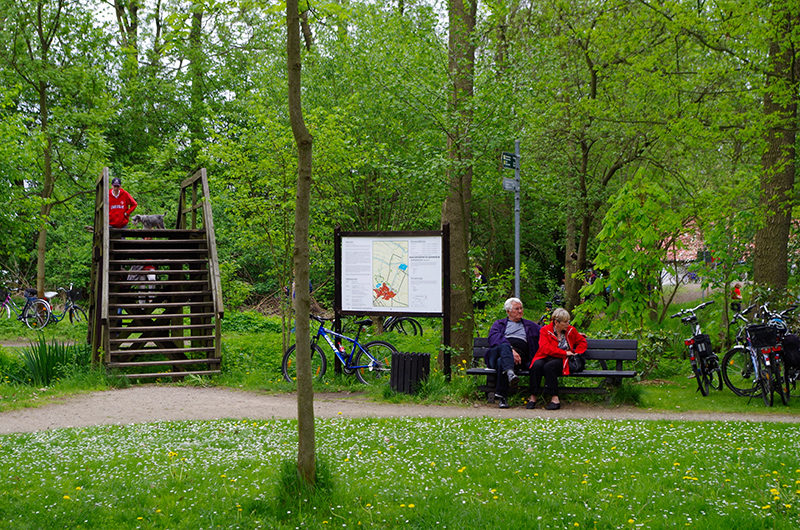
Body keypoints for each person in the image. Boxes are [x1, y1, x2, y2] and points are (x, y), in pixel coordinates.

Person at [486, 297, 541, 409]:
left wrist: (574, 334)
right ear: (508, 311)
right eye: (516, 309)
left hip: (519, 359)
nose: (520, 311)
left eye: (521, 308)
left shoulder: (529, 325)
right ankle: (510, 372)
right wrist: (511, 350)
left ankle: (503, 398)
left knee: (502, 362)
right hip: (497, 353)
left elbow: (548, 331)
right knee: (504, 346)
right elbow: (494, 339)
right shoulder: (499, 324)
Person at [527, 308, 587, 410]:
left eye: (568, 321)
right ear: (556, 322)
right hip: (546, 356)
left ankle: (555, 399)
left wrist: (576, 353)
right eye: (565, 322)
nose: (567, 324)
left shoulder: (571, 330)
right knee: (536, 366)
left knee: (549, 367)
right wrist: (564, 352)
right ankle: (533, 397)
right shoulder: (545, 330)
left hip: (562, 359)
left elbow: (582, 342)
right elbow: (545, 348)